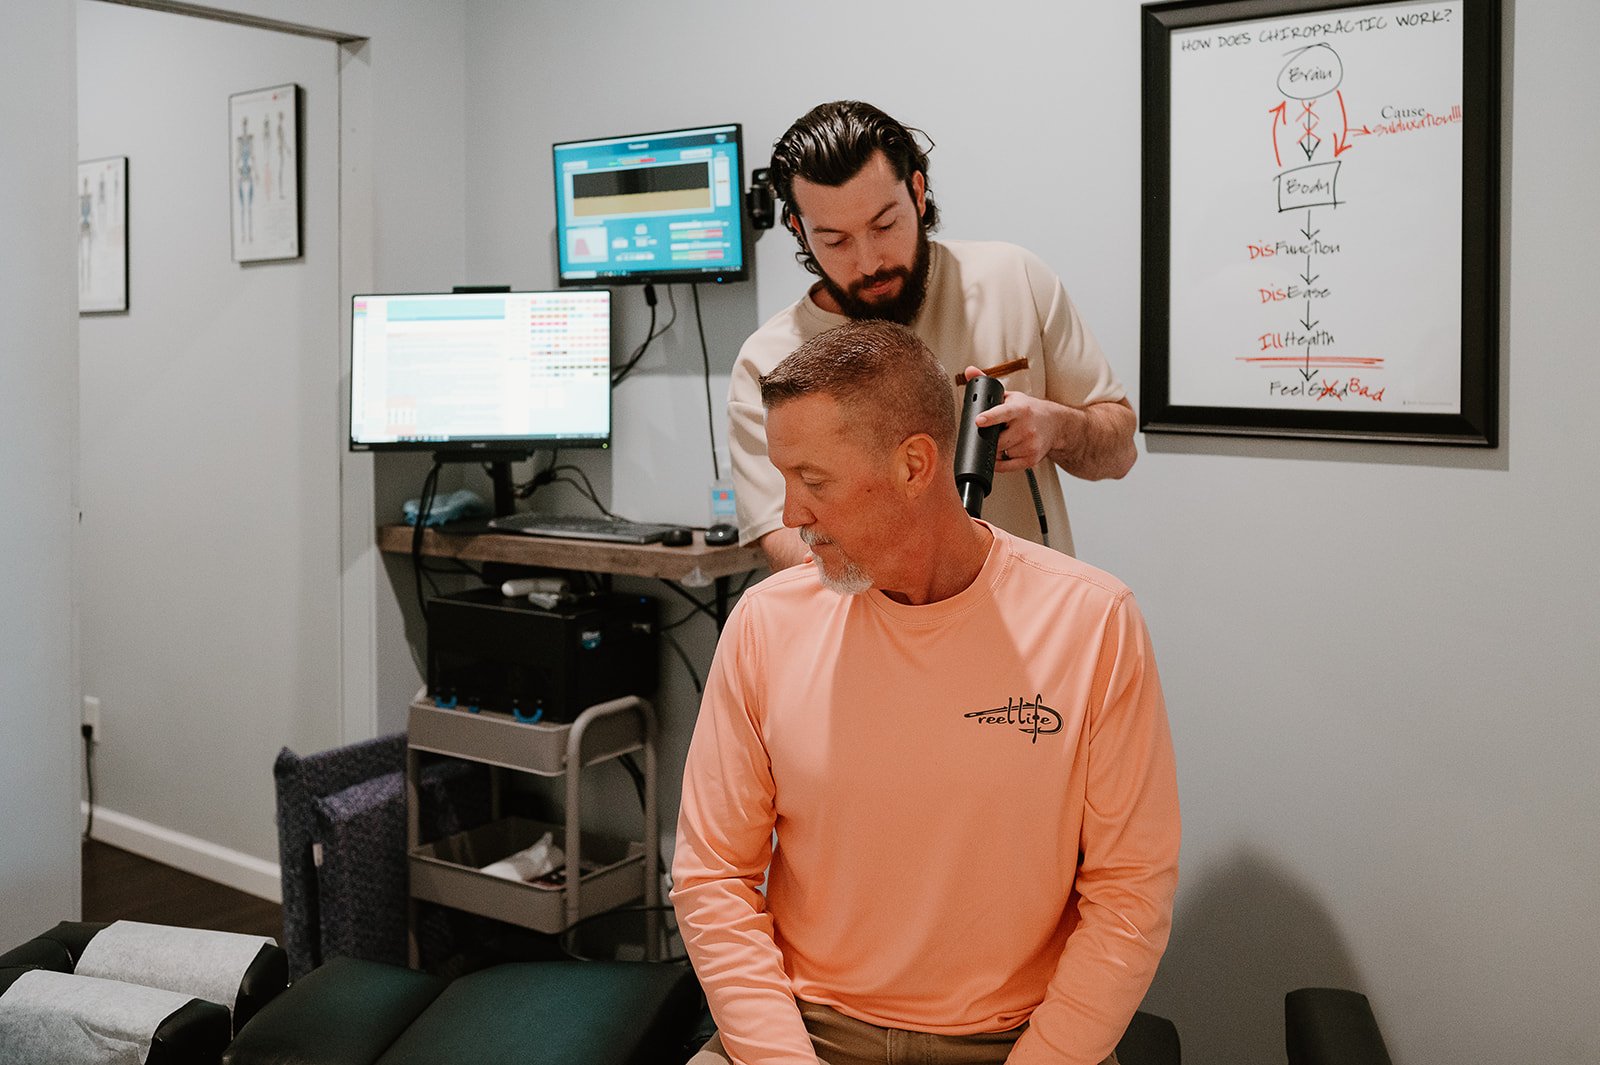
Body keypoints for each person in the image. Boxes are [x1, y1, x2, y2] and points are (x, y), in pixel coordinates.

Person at [674, 321, 1180, 1065]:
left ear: (916, 463)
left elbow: (1128, 895)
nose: (789, 516)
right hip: (805, 1030)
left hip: (1012, 1041)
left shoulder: (1093, 623)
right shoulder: (766, 625)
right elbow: (713, 875)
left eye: (814, 482)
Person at [729, 100, 1138, 573]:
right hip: (871, 638)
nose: (869, 262)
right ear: (799, 230)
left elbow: (1119, 452)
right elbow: (779, 538)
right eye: (836, 241)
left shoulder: (1015, 281)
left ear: (918, 193)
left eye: (885, 225)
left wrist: (1056, 428)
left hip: (1030, 629)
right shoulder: (768, 363)